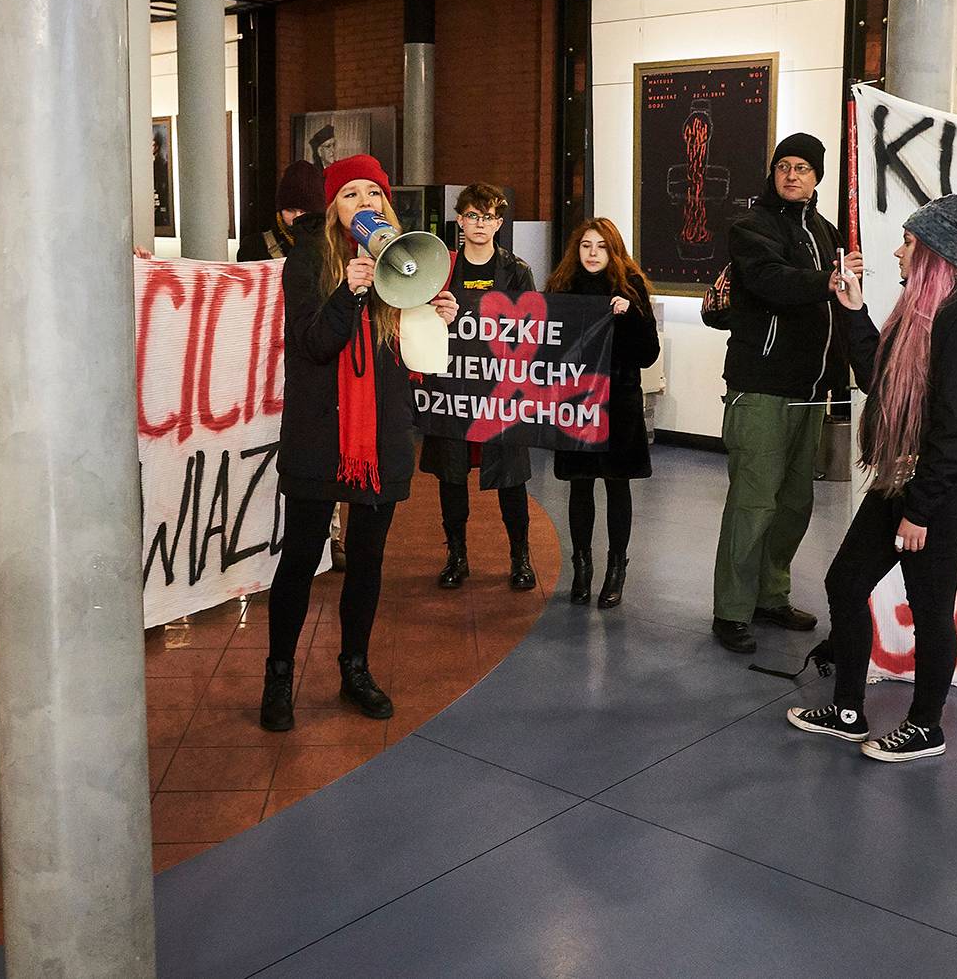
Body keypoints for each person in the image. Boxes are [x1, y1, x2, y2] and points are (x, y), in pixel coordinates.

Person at [786, 194, 957, 762]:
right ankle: (848, 710)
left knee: (929, 611)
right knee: (846, 583)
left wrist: (920, 511)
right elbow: (878, 380)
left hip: (937, 493)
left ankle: (926, 725)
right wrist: (853, 310)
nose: (897, 251)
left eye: (908, 242)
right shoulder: (916, 314)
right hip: (899, 476)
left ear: (931, 254)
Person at [261, 154, 458, 732]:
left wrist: (437, 314)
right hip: (321, 434)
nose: (365, 203)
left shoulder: (406, 260)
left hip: (381, 436)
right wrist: (347, 292)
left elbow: (419, 361)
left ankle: (355, 667)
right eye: (350, 195)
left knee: (368, 560)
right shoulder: (306, 262)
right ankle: (279, 675)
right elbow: (313, 345)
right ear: (331, 210)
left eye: (373, 192)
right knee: (300, 557)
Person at [712, 133, 863, 655]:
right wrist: (828, 280)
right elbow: (772, 280)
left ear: (817, 176)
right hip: (760, 390)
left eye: (802, 167)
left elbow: (839, 311)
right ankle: (731, 610)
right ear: (772, 174)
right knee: (752, 504)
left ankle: (770, 595)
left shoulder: (827, 233)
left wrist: (840, 380)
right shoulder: (751, 228)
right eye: (783, 166)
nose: (792, 175)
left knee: (794, 504)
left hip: (811, 392)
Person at [421, 183, 539, 592]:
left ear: (499, 223)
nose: (480, 224)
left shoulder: (517, 270)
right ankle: (456, 555)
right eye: (472, 215)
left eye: (488, 217)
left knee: (512, 479)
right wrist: (434, 312)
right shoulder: (442, 269)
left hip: (499, 392)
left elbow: (534, 329)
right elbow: (415, 321)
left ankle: (520, 557)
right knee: (451, 478)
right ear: (460, 220)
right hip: (451, 389)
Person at [546, 218, 660, 609]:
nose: (592, 254)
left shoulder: (632, 289)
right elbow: (547, 347)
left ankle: (616, 569)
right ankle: (581, 568)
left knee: (616, 484)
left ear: (614, 252)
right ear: (576, 251)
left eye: (601, 247)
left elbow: (648, 354)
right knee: (580, 485)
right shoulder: (561, 289)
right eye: (586, 246)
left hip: (619, 403)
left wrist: (630, 316)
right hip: (576, 402)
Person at [238, 159, 323, 263]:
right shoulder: (254, 247)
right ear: (280, 211)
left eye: (304, 211)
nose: (297, 217)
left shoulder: (335, 245)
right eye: (290, 210)